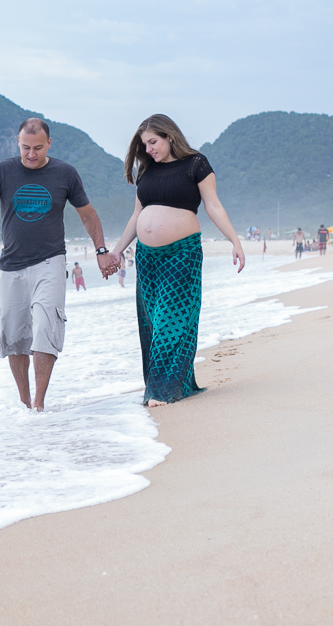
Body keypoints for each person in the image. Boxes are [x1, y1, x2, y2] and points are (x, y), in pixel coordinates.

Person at [0, 118, 116, 412]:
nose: (31, 154)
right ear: (17, 143)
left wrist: (101, 250)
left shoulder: (65, 173)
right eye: (25, 148)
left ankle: (38, 404)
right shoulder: (2, 172)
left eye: (37, 148)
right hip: (11, 266)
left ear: (49, 143)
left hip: (50, 261)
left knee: (45, 328)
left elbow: (88, 215)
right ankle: (24, 401)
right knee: (13, 336)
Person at [109, 114, 245, 407]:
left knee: (172, 320)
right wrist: (117, 250)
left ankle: (161, 391)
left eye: (153, 142)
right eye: (145, 145)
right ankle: (168, 385)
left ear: (169, 136)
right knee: (153, 322)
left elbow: (214, 206)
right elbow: (137, 216)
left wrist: (235, 241)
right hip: (147, 258)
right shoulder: (146, 172)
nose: (148, 149)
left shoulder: (196, 164)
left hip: (182, 254)